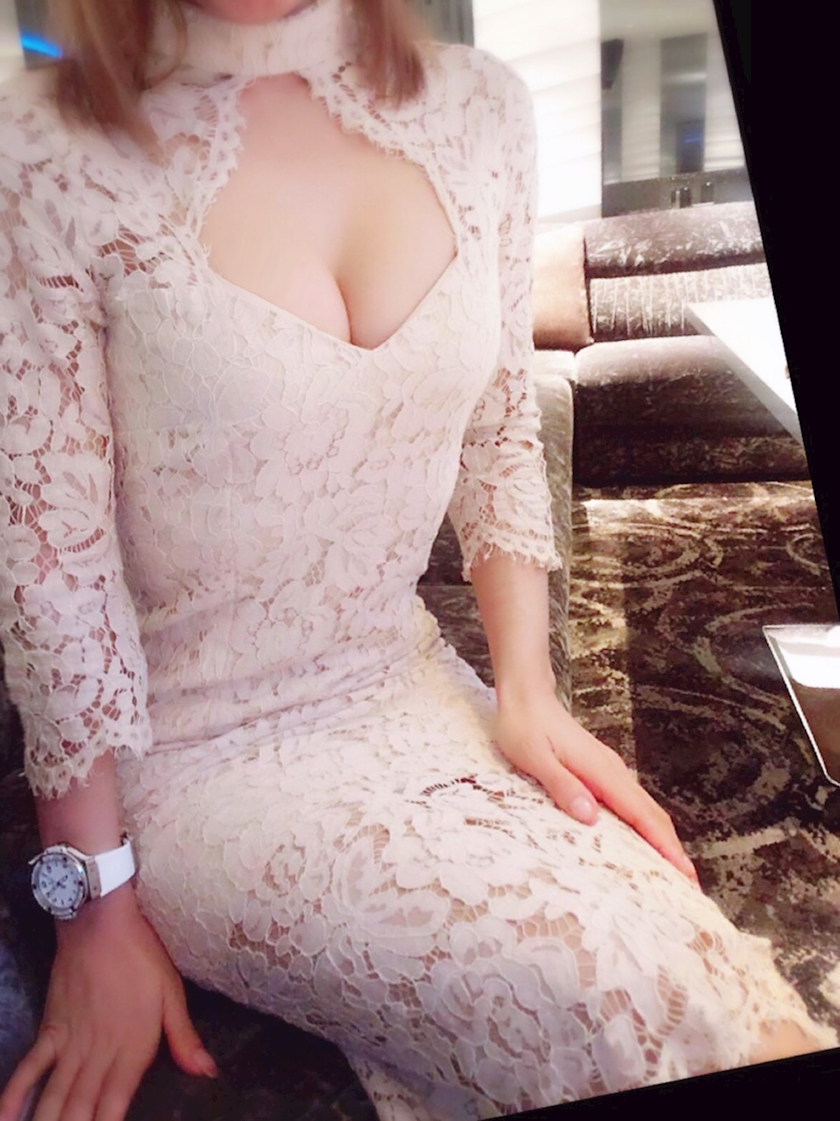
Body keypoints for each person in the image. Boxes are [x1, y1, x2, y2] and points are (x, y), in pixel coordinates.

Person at [0, 0, 836, 1118]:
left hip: (413, 683)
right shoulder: (45, 148)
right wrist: (94, 906)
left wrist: (528, 693)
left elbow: (500, 425)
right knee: (606, 987)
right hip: (204, 760)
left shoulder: (483, 111)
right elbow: (53, 571)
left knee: (699, 956)